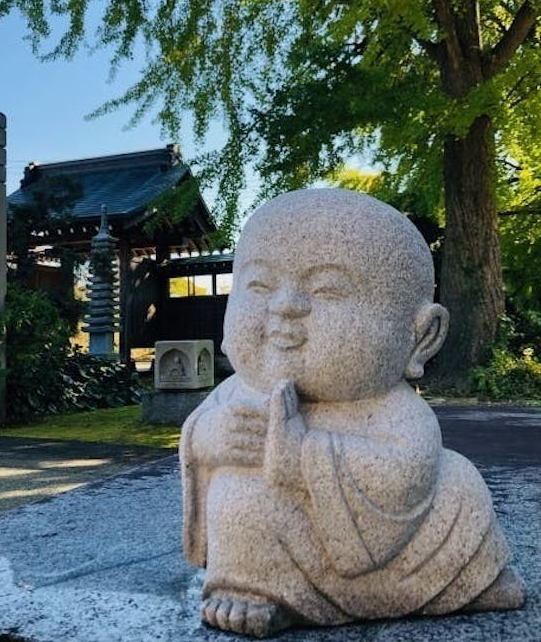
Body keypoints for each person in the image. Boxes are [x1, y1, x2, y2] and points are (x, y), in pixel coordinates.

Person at [180, 188, 525, 638]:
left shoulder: (397, 410)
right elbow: (197, 451)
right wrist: (207, 439)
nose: (285, 305)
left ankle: (469, 582)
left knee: (459, 483)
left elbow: (405, 473)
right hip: (278, 546)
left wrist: (301, 453)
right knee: (238, 495)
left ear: (420, 336)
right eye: (260, 285)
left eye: (326, 289)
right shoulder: (237, 393)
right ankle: (251, 587)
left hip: (404, 553)